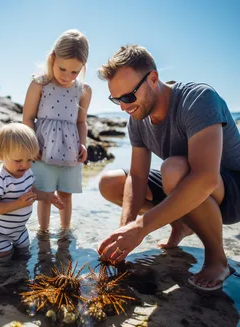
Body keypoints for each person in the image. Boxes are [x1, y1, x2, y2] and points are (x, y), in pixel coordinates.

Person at [97, 45, 239, 291]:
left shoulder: (198, 98)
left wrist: (141, 228)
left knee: (173, 169)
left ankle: (218, 259)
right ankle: (181, 225)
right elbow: (138, 176)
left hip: (231, 192)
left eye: (128, 97)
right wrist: (125, 229)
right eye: (116, 99)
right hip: (182, 183)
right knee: (110, 182)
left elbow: (205, 178)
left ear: (153, 78)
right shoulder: (137, 119)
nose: (123, 107)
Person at [23, 29, 92, 230]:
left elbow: (81, 122)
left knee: (66, 195)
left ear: (82, 67)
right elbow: (27, 118)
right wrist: (32, 147)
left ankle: (65, 232)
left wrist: (83, 144)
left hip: (70, 151)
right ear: (52, 58)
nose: (67, 76)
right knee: (44, 194)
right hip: (42, 149)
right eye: (62, 69)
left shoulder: (84, 90)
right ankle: (43, 233)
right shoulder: (39, 84)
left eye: (74, 71)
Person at [0, 123, 64, 259]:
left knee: (24, 254)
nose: (25, 165)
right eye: (18, 160)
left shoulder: (27, 173)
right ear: (0, 155)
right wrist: (18, 204)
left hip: (19, 230)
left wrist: (48, 196)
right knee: (3, 259)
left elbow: (32, 192)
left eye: (29, 159)